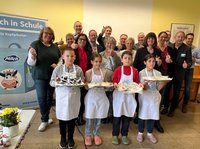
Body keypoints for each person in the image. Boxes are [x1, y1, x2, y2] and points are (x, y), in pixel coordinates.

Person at [27, 26, 60, 132]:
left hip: (52, 77)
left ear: (52, 36)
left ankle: (47, 116)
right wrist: (32, 56)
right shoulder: (35, 44)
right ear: (41, 34)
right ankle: (44, 120)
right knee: (41, 98)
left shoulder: (55, 47)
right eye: (46, 33)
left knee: (49, 98)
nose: (48, 35)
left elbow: (60, 60)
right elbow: (30, 63)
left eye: (50, 34)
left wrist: (58, 66)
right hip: (40, 76)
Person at [50, 47, 84, 149]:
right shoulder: (58, 69)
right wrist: (59, 82)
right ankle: (63, 138)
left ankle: (71, 138)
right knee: (62, 120)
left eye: (72, 56)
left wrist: (79, 83)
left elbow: (82, 83)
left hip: (74, 99)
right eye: (67, 56)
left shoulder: (78, 69)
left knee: (72, 119)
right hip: (62, 99)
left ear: (75, 57)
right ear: (63, 57)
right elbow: (51, 82)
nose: (70, 58)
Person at [112, 51, 141, 145]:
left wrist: (140, 85)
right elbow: (114, 82)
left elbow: (136, 82)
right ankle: (115, 135)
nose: (127, 60)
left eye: (129, 58)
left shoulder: (135, 71)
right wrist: (115, 84)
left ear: (132, 60)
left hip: (130, 98)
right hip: (119, 98)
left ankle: (124, 135)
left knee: (127, 117)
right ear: (121, 59)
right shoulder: (118, 70)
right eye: (125, 58)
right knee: (117, 117)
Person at [84, 53, 111, 146]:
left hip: (101, 97)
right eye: (96, 61)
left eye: (99, 62)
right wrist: (87, 85)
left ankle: (96, 134)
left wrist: (107, 85)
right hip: (91, 97)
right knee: (90, 117)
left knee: (99, 117)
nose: (98, 64)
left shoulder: (104, 72)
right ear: (91, 62)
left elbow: (106, 86)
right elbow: (86, 87)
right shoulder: (88, 72)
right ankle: (88, 134)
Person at [137, 54, 165, 144]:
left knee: (153, 114)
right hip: (144, 96)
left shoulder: (158, 73)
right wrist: (145, 84)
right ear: (145, 62)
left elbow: (158, 88)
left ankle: (150, 133)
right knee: (142, 114)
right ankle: (140, 132)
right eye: (149, 61)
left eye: (153, 61)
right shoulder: (141, 73)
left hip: (154, 96)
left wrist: (164, 82)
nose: (152, 63)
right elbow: (141, 88)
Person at [168, 31, 192, 117]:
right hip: (169, 73)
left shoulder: (187, 48)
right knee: (167, 91)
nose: (180, 38)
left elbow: (189, 61)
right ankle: (165, 107)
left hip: (179, 74)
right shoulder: (170, 46)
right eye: (178, 36)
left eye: (182, 37)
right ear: (175, 37)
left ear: (184, 38)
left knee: (176, 92)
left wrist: (187, 65)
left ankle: (172, 109)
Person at [100, 36, 121, 123]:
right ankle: (103, 115)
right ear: (105, 44)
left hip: (113, 79)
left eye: (111, 43)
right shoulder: (100, 54)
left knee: (112, 98)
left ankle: (111, 114)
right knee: (103, 98)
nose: (109, 45)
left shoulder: (117, 55)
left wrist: (112, 57)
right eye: (107, 43)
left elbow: (118, 67)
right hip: (103, 79)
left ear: (114, 45)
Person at [74, 33, 93, 125]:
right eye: (80, 39)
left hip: (86, 78)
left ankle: (80, 116)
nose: (82, 41)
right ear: (77, 40)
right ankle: (76, 117)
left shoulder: (89, 52)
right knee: (76, 99)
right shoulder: (74, 51)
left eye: (84, 40)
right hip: (75, 78)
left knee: (83, 99)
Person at [182, 33, 198, 112]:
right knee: (177, 87)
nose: (190, 40)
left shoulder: (196, 49)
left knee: (187, 89)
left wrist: (195, 60)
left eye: (192, 39)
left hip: (190, 70)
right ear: (185, 38)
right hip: (181, 70)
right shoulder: (182, 47)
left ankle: (185, 104)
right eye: (189, 38)